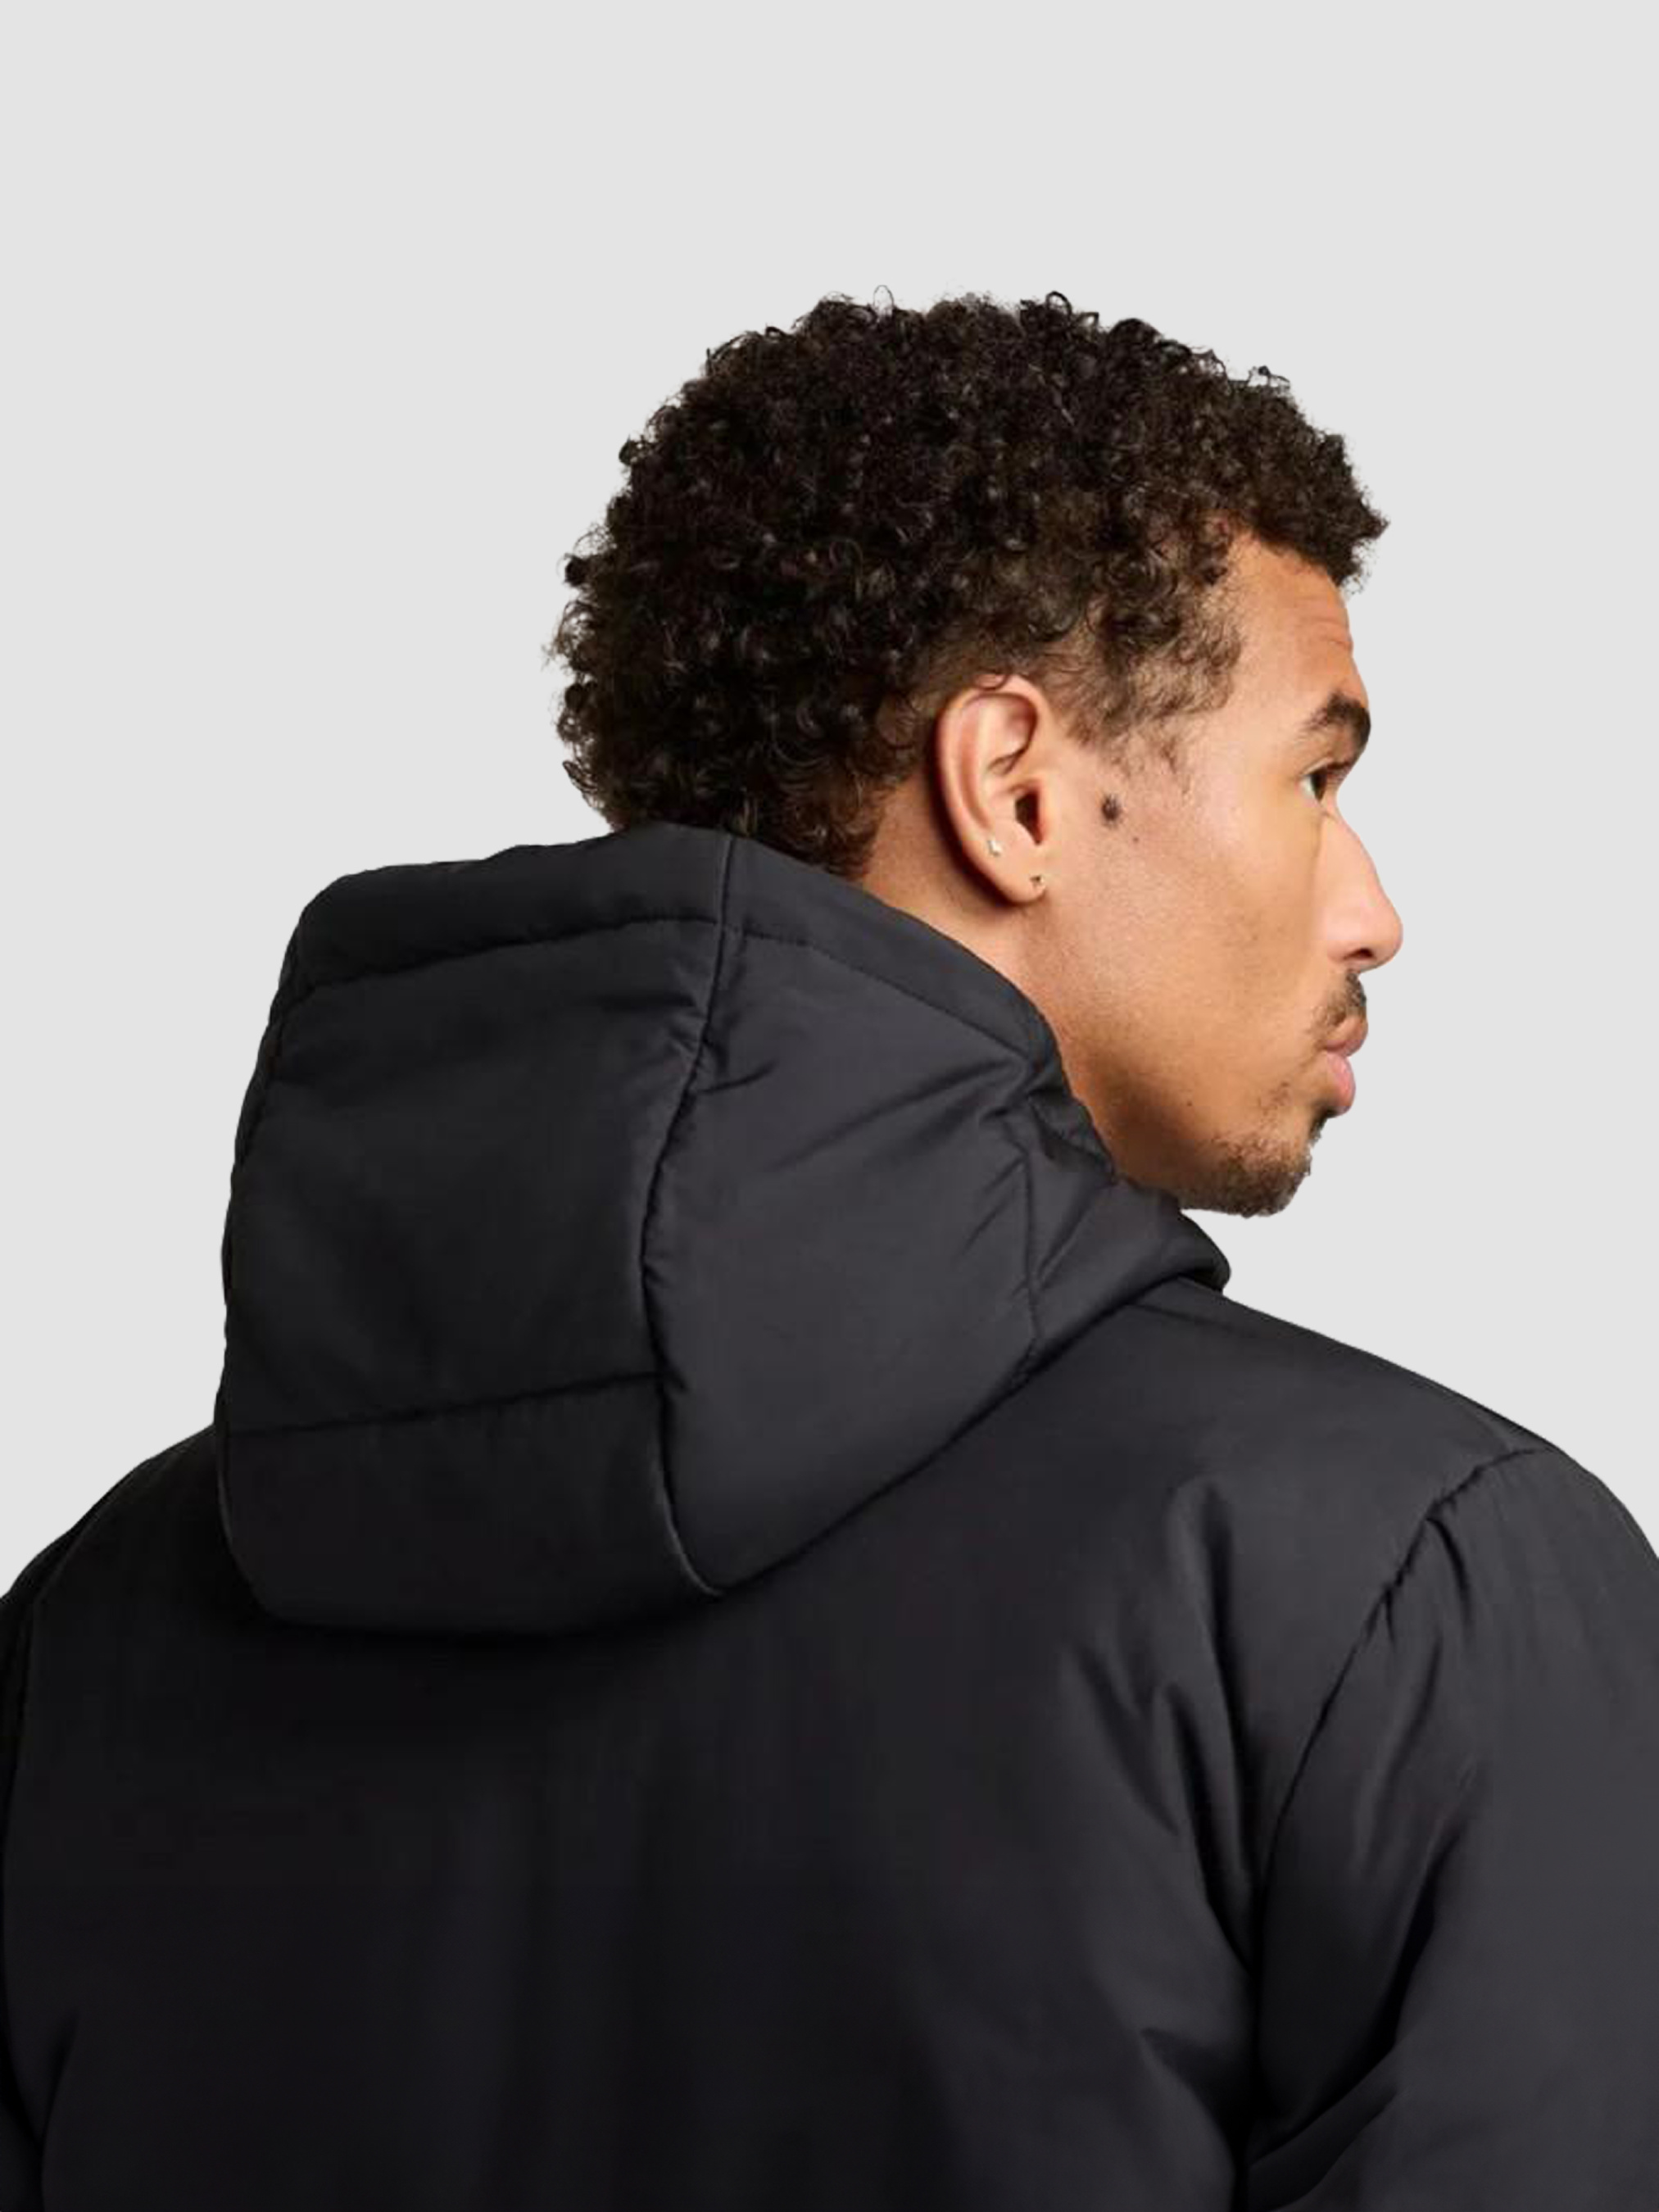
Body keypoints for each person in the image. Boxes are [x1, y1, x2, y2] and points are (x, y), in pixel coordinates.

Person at [2, 291, 1656, 2209]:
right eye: (1314, 777)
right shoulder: (1415, 1585)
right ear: (1017, 786)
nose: (1370, 910)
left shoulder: (93, 1630)